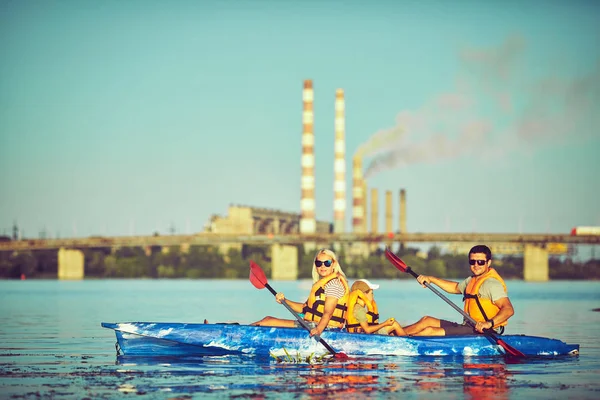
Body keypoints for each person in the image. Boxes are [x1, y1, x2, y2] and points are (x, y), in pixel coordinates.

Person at [404, 244, 514, 336]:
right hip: (468, 326)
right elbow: (455, 288)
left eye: (480, 262)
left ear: (488, 263)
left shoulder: (492, 284)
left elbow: (508, 309)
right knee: (426, 320)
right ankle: (392, 335)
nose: (476, 265)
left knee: (430, 331)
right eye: (472, 262)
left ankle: (402, 342)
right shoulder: (472, 280)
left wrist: (488, 324)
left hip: (486, 331)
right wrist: (431, 279)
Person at [250, 248, 349, 337]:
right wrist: (285, 300)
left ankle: (236, 335)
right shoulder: (323, 284)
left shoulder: (334, 284)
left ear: (334, 264)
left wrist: (318, 330)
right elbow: (304, 309)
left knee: (268, 322)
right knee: (268, 319)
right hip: (313, 324)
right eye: (319, 263)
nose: (322, 266)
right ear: (315, 265)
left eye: (327, 263)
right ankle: (237, 331)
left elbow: (328, 313)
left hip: (326, 329)